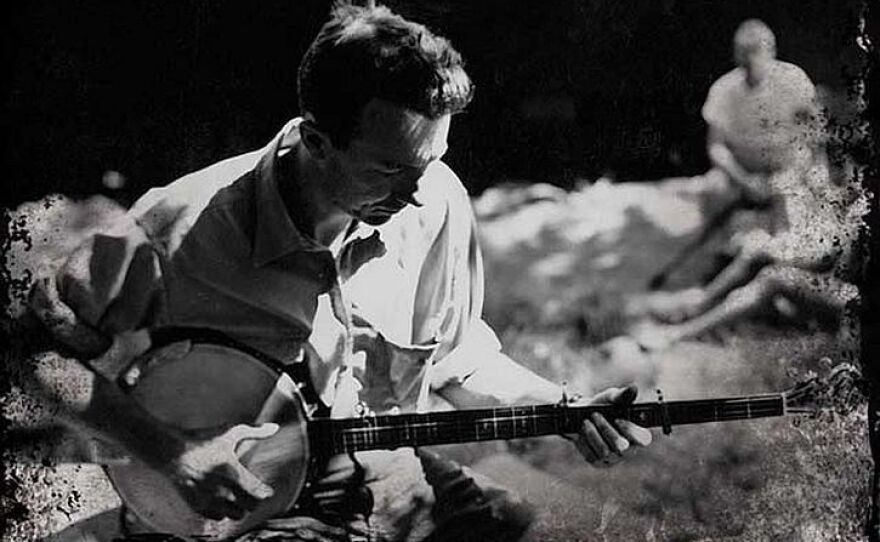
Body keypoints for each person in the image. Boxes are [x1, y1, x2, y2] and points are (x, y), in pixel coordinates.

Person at [24, 5, 652, 541]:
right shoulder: (176, 229)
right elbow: (33, 357)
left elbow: (460, 365)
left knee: (559, 525)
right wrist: (177, 455)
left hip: (390, 485)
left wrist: (563, 407)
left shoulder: (436, 200)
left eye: (432, 162)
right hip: (237, 516)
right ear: (316, 140)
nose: (414, 194)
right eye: (388, 170)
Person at [631, 19, 863, 351]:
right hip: (751, 179)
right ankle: (696, 306)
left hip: (854, 299)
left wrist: (779, 247)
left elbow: (834, 255)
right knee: (760, 249)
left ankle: (681, 332)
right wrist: (778, 242)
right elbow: (717, 148)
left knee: (771, 271)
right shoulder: (726, 89)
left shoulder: (860, 202)